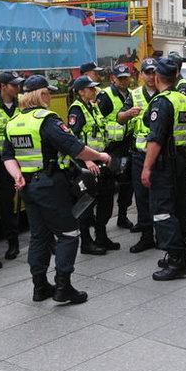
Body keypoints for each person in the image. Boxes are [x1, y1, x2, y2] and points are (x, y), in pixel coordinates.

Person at [2, 75, 111, 304]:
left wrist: (18, 176)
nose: (50, 96)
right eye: (48, 92)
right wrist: (100, 156)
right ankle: (64, 287)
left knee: (39, 237)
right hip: (51, 186)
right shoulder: (47, 120)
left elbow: (7, 156)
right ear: (40, 95)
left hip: (28, 187)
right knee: (69, 234)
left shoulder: (13, 122)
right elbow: (76, 148)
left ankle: (40, 287)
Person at [140, 58, 186, 280]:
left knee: (162, 211)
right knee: (179, 209)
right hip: (180, 160)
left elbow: (156, 139)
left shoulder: (162, 102)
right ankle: (183, 255)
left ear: (157, 77)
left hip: (164, 163)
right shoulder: (184, 99)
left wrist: (146, 167)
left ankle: (175, 260)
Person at [68, 75, 119, 253]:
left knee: (106, 200)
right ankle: (87, 242)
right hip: (86, 164)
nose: (94, 90)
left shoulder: (93, 107)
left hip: (101, 160)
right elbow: (73, 139)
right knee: (87, 203)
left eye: (94, 87)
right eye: (90, 88)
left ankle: (102, 236)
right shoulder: (76, 109)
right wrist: (87, 160)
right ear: (81, 91)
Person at [118, 58, 159, 252]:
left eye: (154, 72)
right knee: (141, 197)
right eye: (147, 73)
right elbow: (120, 117)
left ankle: (164, 235)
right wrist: (128, 114)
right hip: (139, 154)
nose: (151, 76)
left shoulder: (166, 92)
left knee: (161, 196)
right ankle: (147, 235)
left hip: (161, 154)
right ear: (141, 75)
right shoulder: (134, 95)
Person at [0, 71, 25, 260]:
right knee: (6, 204)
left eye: (18, 85)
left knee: (34, 200)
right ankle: (13, 243)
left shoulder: (24, 103)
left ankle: (47, 240)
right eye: (13, 85)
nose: (18, 88)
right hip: (3, 163)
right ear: (2, 86)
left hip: (26, 159)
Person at [97, 64, 136, 228]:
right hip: (111, 147)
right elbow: (98, 120)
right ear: (113, 78)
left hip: (128, 143)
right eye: (120, 78)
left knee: (127, 183)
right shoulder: (106, 95)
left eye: (125, 77)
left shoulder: (133, 95)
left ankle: (122, 216)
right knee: (108, 186)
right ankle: (101, 223)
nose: (123, 81)